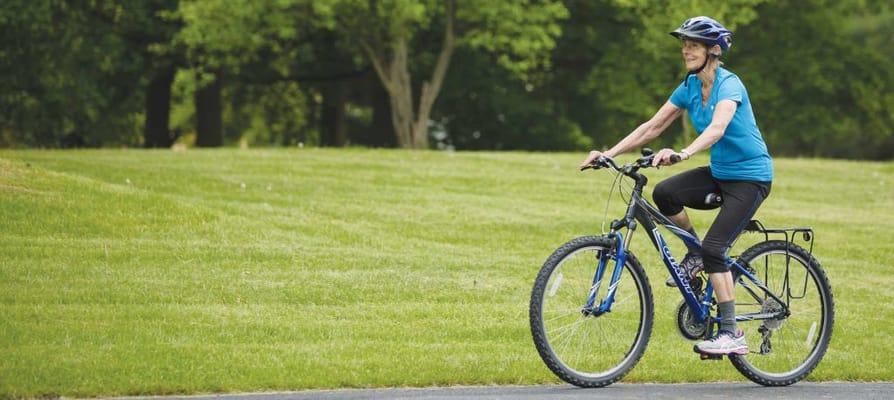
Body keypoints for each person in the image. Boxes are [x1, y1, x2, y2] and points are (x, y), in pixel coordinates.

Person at [579, 16, 773, 356]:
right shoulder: (689, 87)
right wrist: (606, 154)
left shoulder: (730, 85)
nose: (686, 49)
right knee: (664, 193)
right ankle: (694, 253)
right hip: (721, 173)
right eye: (684, 43)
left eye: (693, 44)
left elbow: (717, 128)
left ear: (714, 50)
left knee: (716, 249)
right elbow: (653, 126)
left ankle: (732, 332)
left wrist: (682, 153)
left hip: (750, 178)